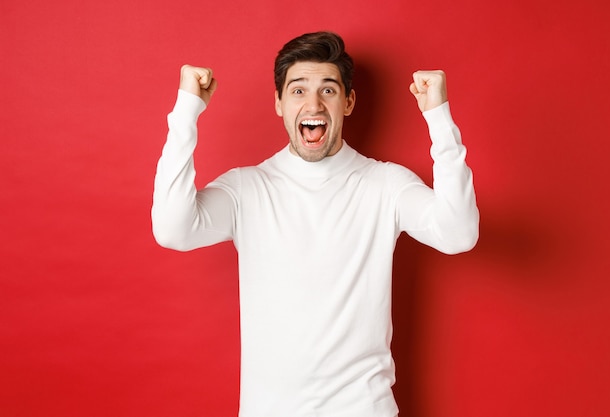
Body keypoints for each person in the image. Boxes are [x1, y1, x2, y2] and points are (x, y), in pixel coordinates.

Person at [152, 31, 478, 417]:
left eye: (328, 90)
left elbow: (459, 233)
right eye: (298, 90)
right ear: (278, 103)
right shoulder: (247, 188)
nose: (313, 104)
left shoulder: (386, 184)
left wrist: (438, 118)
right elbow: (173, 229)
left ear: (348, 102)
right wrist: (187, 108)